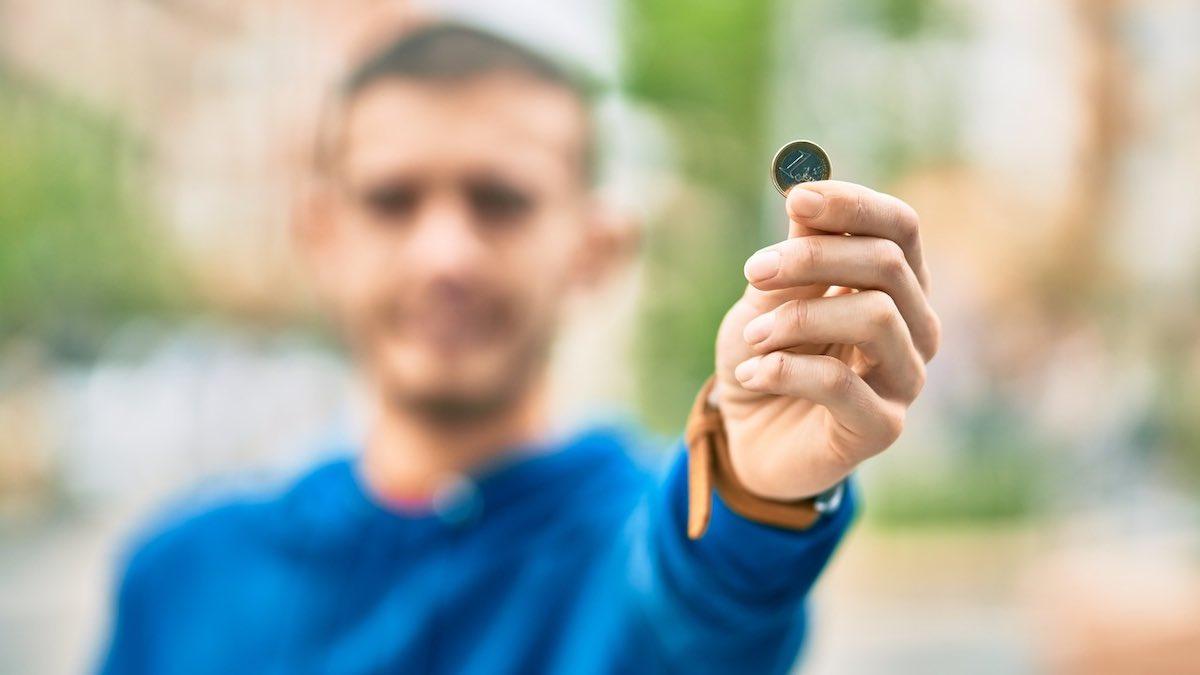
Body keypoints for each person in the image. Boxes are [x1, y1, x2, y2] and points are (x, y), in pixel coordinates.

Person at [99, 21, 940, 675]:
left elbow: (710, 599)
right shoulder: (183, 575)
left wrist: (750, 489)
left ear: (598, 247)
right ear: (321, 234)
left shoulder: (642, 543)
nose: (445, 255)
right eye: (393, 201)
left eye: (499, 201)